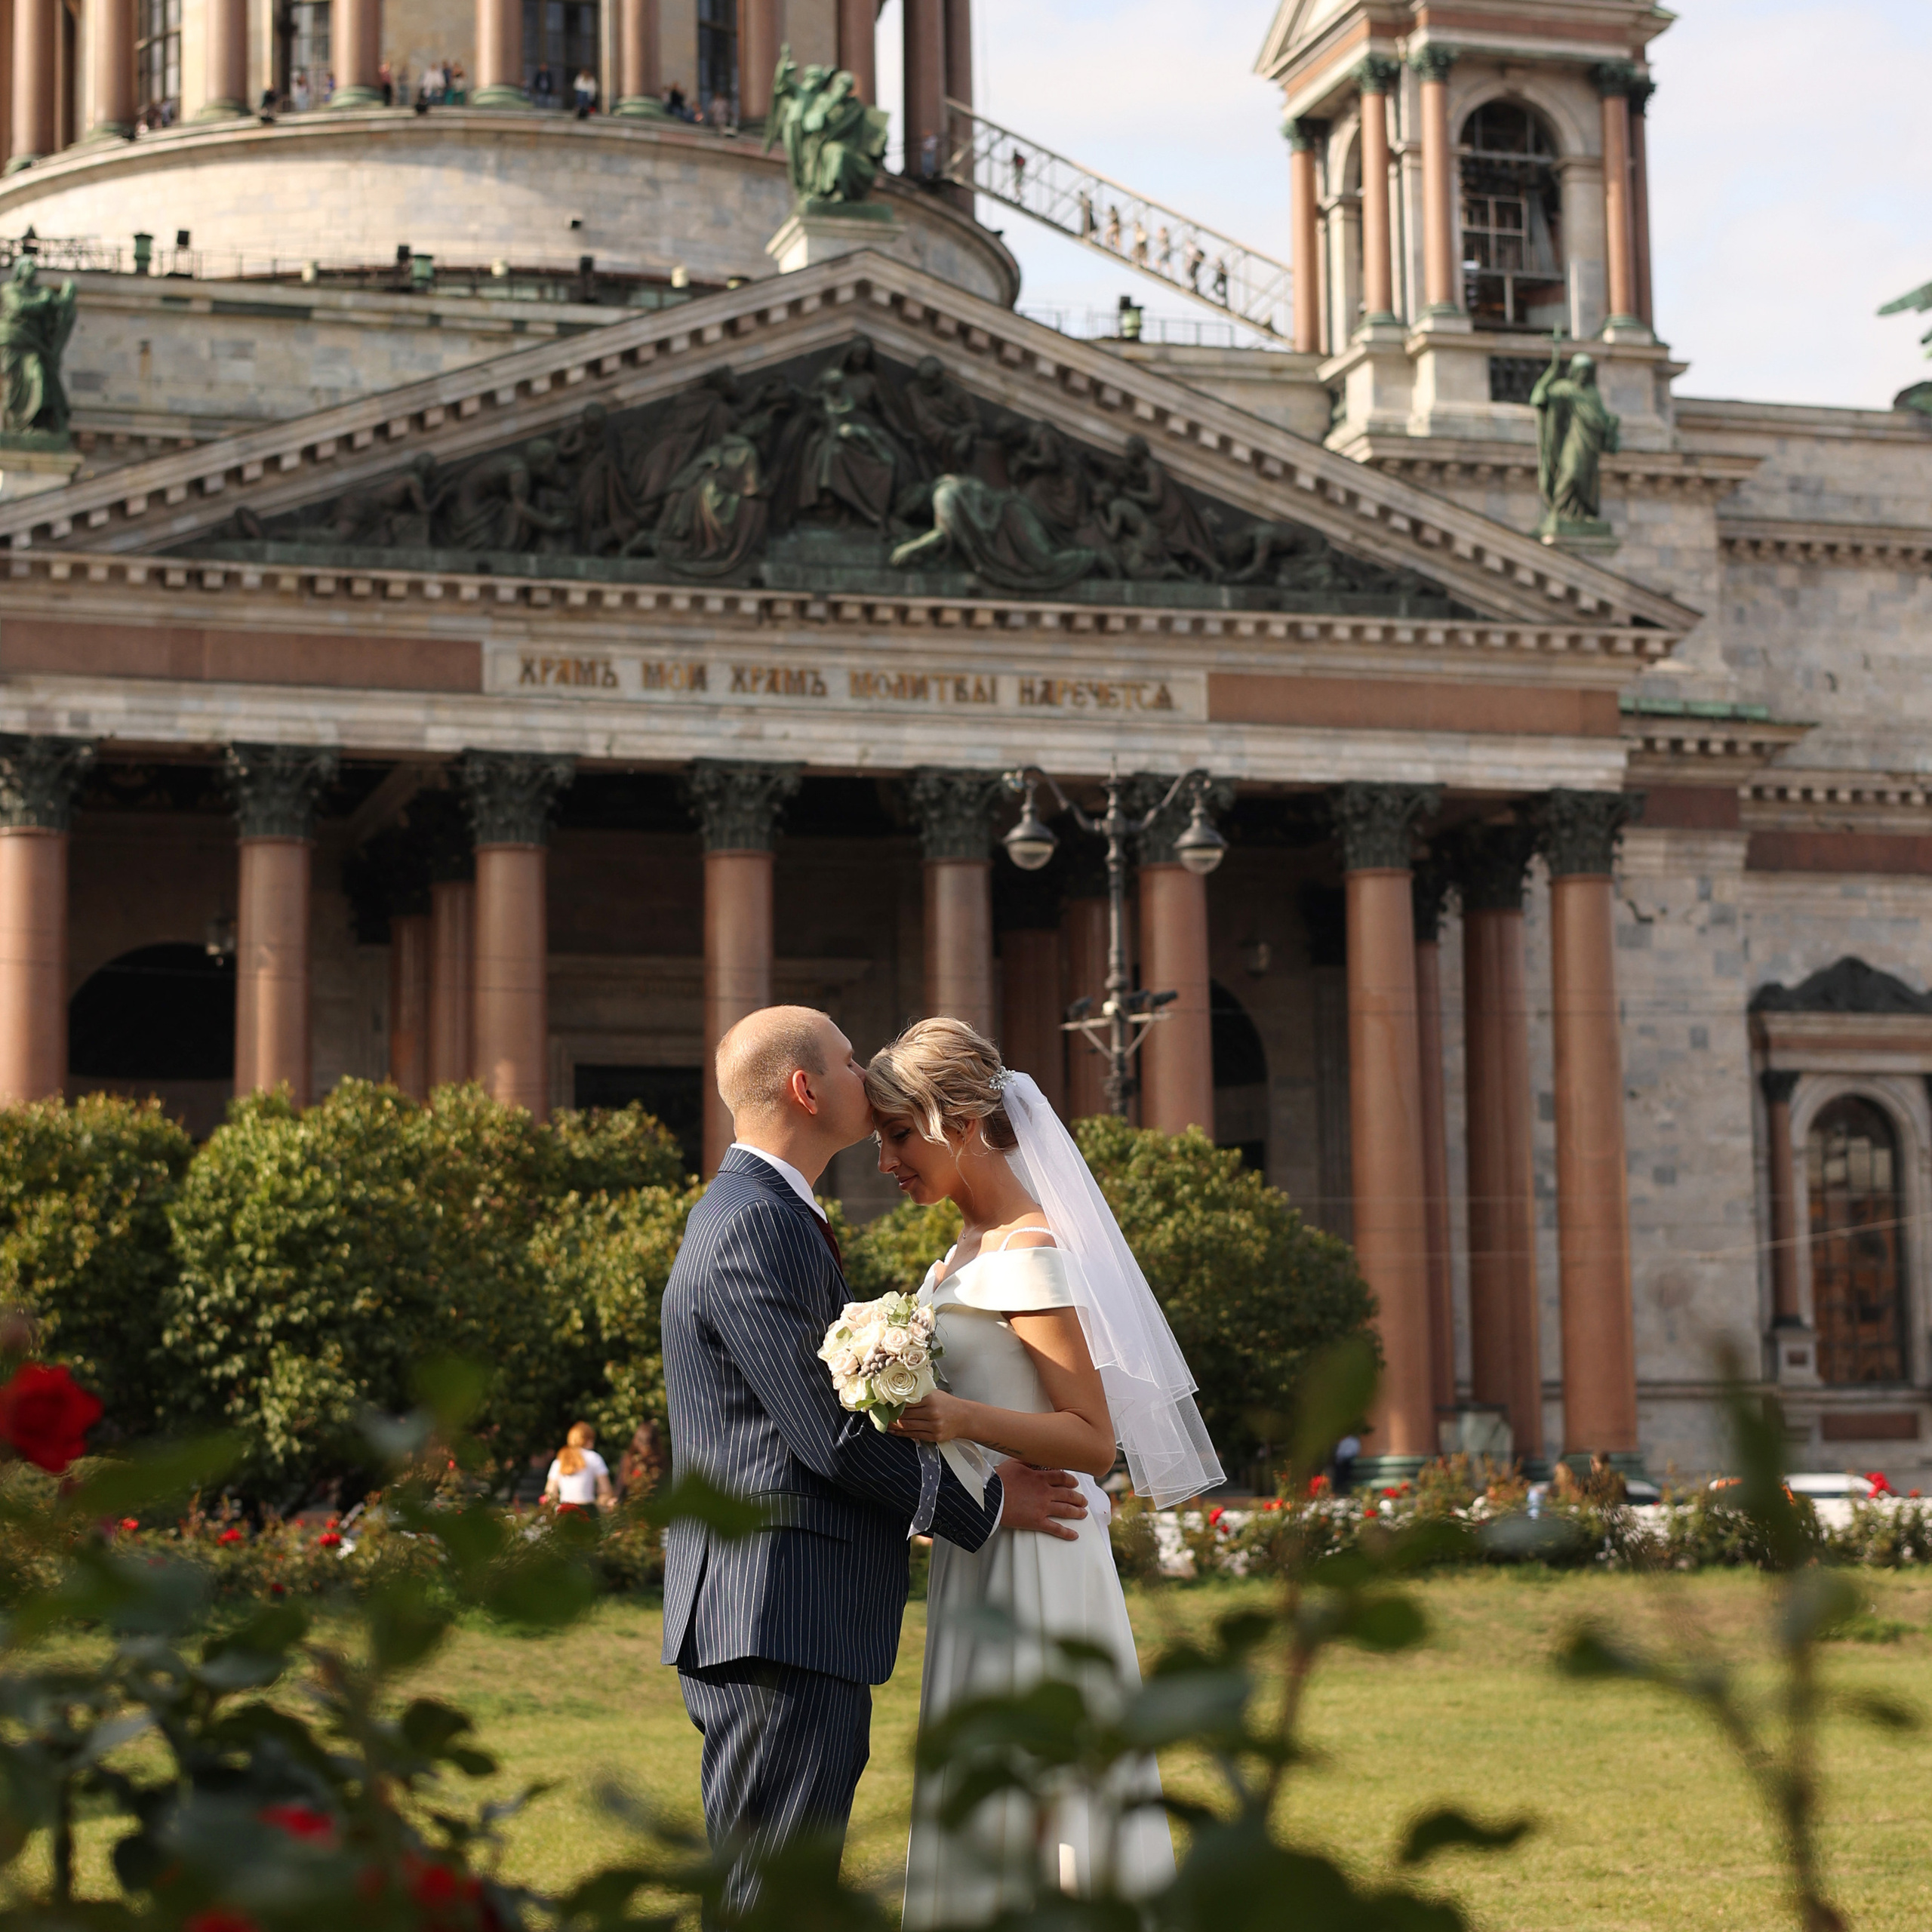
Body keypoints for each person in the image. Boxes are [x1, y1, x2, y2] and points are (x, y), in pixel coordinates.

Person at [660, 1005, 1088, 1922]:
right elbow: (828, 1436)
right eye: (852, 1062)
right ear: (806, 1089)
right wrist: (979, 1505)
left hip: (780, 1607)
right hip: (779, 1608)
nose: (868, 1075)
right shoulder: (757, 1223)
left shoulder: (763, 1212)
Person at [869, 1018, 1222, 1925]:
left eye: (898, 1134)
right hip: (985, 1541)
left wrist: (962, 1417)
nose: (885, 1159)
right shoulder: (957, 1255)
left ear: (954, 1120)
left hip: (1043, 1551)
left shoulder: (1029, 1249)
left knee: (1044, 1784)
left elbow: (1092, 1440)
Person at [544, 1422, 614, 1512]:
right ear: (589, 1440)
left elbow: (550, 1492)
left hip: (565, 1509)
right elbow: (606, 1490)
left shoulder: (559, 1460)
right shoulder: (594, 1458)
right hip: (587, 1509)